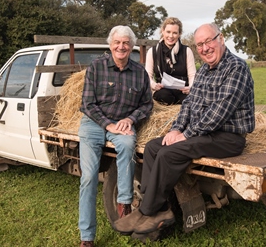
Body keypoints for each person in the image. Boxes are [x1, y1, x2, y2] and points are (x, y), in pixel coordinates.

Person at [113, 23, 255, 235]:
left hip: (228, 137)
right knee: (153, 147)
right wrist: (175, 130)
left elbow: (219, 112)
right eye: (199, 45)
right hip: (205, 134)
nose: (205, 48)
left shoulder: (236, 68)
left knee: (169, 153)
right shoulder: (205, 71)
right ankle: (160, 210)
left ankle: (145, 211)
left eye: (208, 41)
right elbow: (188, 105)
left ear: (221, 38)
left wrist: (186, 135)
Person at [78, 25, 153, 247]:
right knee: (89, 177)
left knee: (129, 143)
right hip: (94, 124)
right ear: (110, 45)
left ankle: (124, 203)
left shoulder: (139, 72)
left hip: (122, 124)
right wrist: (107, 124)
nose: (121, 46)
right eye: (117, 42)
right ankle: (87, 236)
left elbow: (147, 104)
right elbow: (87, 104)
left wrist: (130, 120)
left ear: (132, 47)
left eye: (126, 43)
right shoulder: (96, 67)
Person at [145, 17, 196, 105]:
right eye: (168, 32)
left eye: (175, 33)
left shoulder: (187, 51)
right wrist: (154, 85)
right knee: (162, 96)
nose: (171, 36)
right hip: (163, 90)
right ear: (163, 31)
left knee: (189, 101)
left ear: (179, 34)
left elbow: (192, 75)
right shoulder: (152, 52)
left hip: (182, 91)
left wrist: (190, 87)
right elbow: (147, 76)